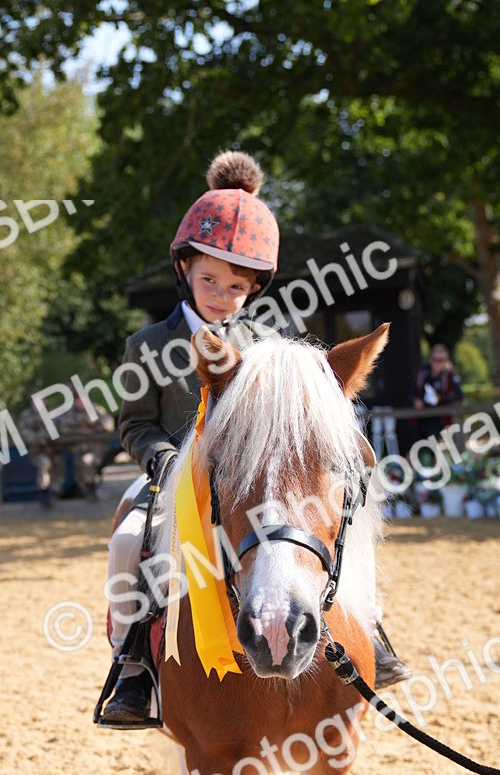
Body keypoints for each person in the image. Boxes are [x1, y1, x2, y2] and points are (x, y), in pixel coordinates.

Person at [100, 150, 409, 725]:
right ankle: (134, 664)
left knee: (325, 524)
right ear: (184, 270)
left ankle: (372, 634)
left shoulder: (268, 342)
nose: (220, 294)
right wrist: (165, 461)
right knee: (128, 541)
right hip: (175, 482)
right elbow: (135, 424)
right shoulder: (146, 345)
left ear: (253, 289)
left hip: (247, 483)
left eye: (236, 286)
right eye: (209, 279)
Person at [413, 344, 463, 442]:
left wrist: (441, 399)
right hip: (422, 418)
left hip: (443, 419)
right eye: (435, 360)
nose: (438, 363)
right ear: (430, 359)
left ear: (446, 361)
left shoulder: (449, 374)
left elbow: (459, 395)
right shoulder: (422, 373)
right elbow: (412, 393)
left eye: (441, 360)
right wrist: (416, 400)